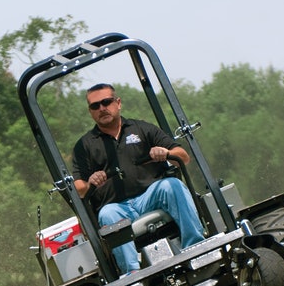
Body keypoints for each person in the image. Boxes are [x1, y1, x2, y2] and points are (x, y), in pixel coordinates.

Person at [72, 83, 205, 273]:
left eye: (106, 102)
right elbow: (78, 188)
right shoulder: (84, 145)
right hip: (117, 207)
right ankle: (132, 273)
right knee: (107, 214)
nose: (102, 108)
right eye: (95, 106)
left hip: (150, 197)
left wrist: (166, 153)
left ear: (118, 103)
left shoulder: (141, 128)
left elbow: (183, 157)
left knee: (172, 185)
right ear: (90, 111)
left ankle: (196, 247)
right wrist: (91, 181)